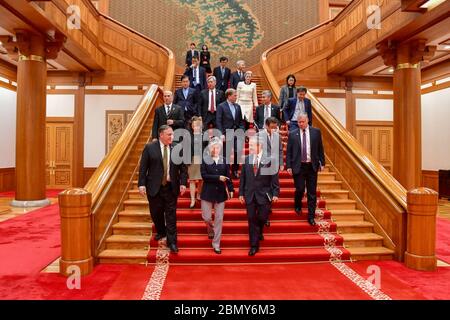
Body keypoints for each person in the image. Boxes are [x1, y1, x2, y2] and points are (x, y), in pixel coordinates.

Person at [138, 125, 188, 253]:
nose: (172, 137)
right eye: (169, 134)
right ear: (161, 135)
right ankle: (161, 231)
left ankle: (172, 242)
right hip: (154, 187)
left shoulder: (177, 147)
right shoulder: (150, 148)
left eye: (172, 134)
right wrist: (141, 184)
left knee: (171, 216)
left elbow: (183, 168)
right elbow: (143, 168)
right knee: (156, 213)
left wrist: (183, 183)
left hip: (171, 187)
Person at [239, 136, 279, 256]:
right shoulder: (247, 160)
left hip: (264, 194)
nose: (249, 147)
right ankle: (254, 245)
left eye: (251, 145)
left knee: (262, 218)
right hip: (250, 194)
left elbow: (274, 178)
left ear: (259, 146)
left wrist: (275, 193)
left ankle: (259, 230)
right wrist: (241, 193)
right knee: (251, 219)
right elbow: (243, 178)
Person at [286, 113, 325, 226]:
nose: (301, 124)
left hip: (312, 166)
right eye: (299, 122)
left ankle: (311, 216)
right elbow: (289, 152)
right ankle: (297, 204)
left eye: (303, 122)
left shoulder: (316, 132)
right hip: (298, 166)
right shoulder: (293, 134)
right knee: (300, 188)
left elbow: (320, 148)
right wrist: (288, 166)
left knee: (312, 192)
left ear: (307, 120)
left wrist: (322, 162)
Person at [200, 137, 234, 254]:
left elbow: (228, 176)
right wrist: (217, 177)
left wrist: (230, 189)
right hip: (207, 193)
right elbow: (204, 176)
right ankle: (210, 228)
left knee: (219, 219)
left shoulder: (224, 160)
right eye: (214, 147)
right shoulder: (205, 160)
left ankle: (216, 244)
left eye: (218, 147)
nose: (216, 149)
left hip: (220, 193)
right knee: (207, 217)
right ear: (210, 149)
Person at [258, 116, 284, 227]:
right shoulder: (259, 135)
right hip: (263, 166)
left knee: (272, 188)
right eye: (272, 127)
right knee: (264, 189)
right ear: (266, 126)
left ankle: (268, 209)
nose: (274, 129)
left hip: (274, 166)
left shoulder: (277, 136)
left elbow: (280, 151)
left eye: (275, 127)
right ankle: (264, 214)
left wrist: (281, 163)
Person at [216, 88, 245, 178]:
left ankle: (235, 170)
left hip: (237, 133)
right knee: (226, 154)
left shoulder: (238, 106)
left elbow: (241, 121)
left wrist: (242, 130)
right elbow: (218, 121)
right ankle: (226, 171)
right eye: (234, 95)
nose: (236, 97)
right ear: (229, 96)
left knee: (238, 151)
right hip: (226, 132)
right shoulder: (221, 106)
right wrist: (221, 134)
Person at [188, 116, 207, 208]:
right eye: (195, 126)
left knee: (201, 179)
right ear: (192, 126)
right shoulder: (188, 136)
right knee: (192, 180)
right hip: (192, 159)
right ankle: (192, 199)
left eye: (198, 126)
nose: (196, 127)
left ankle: (198, 194)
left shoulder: (204, 136)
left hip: (202, 159)